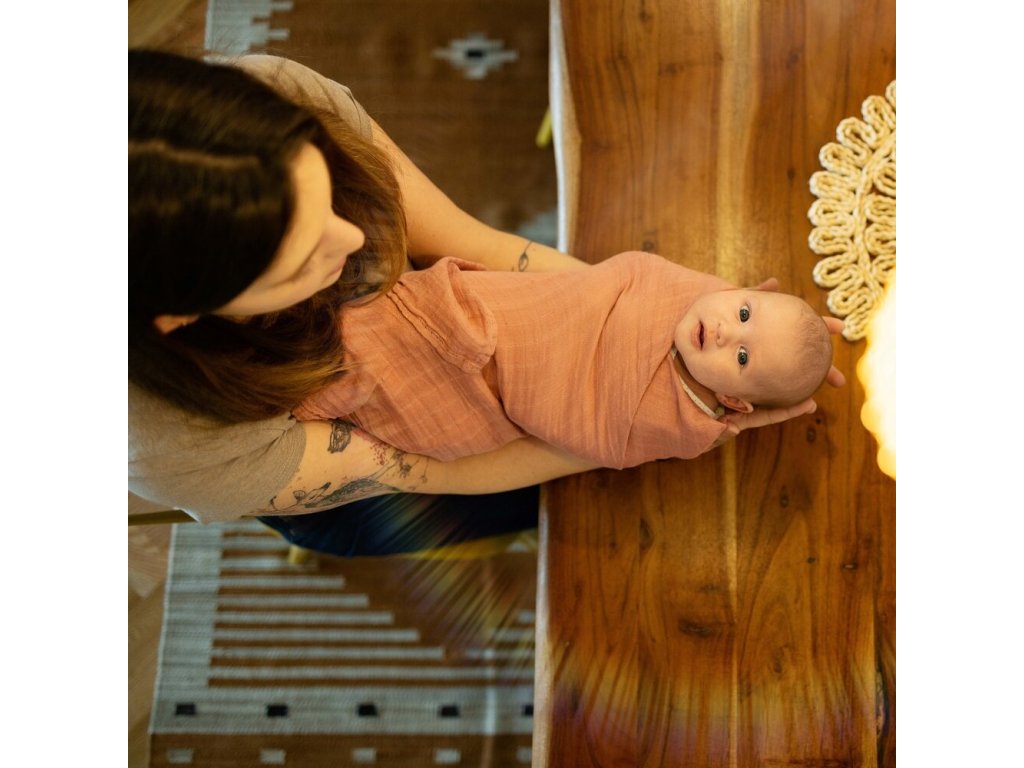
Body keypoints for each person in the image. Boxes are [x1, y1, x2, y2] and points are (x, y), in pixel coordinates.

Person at [128, 49, 834, 554]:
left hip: (460, 334)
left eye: (331, 200)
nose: (357, 241)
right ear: (180, 316)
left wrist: (632, 327)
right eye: (303, 256)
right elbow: (432, 469)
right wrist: (632, 429)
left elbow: (485, 248)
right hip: (385, 471)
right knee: (558, 499)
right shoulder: (173, 441)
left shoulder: (270, 103)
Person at [292, 250, 841, 468]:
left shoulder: (685, 420)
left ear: (732, 401)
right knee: (370, 330)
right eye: (744, 312)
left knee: (363, 368)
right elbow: (618, 282)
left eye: (742, 357)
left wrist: (706, 427)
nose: (724, 332)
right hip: (481, 318)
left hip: (478, 394)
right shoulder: (693, 294)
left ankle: (307, 373)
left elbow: (604, 430)